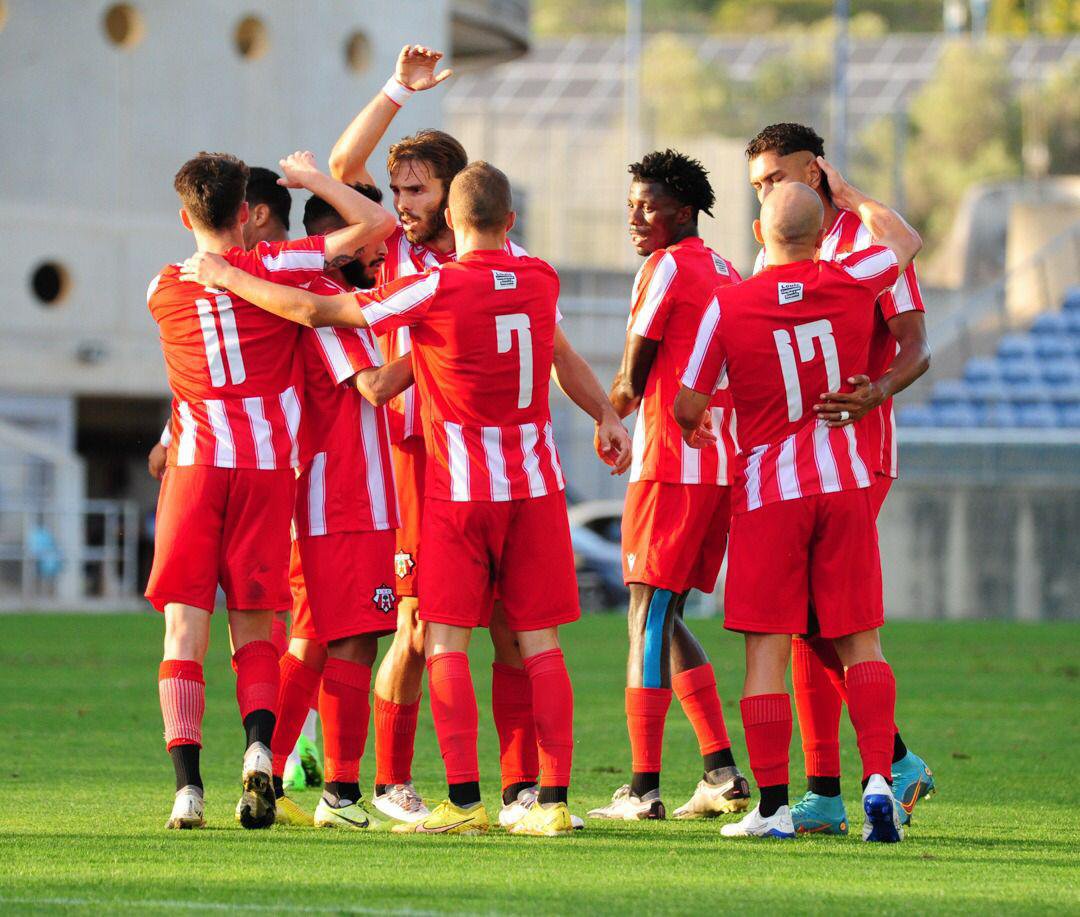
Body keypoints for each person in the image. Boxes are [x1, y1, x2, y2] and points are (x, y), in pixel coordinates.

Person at [181, 161, 629, 837]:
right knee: (538, 643)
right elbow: (556, 352)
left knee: (437, 638)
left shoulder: (433, 286)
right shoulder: (541, 278)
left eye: (418, 193)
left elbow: (319, 312)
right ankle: (549, 798)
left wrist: (230, 276)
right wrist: (608, 415)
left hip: (457, 487)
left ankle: (459, 795)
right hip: (534, 486)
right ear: (511, 221)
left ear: (450, 216)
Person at [327, 43, 629, 827]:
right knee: (420, 624)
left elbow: (560, 355)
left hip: (474, 459)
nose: (400, 203)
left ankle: (518, 783)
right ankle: (394, 778)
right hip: (415, 458)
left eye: (416, 189)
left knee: (503, 626)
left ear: (454, 194)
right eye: (393, 189)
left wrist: (601, 408)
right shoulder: (395, 246)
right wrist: (399, 88)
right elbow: (340, 160)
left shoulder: (494, 264)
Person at [147, 149, 394, 830]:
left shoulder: (161, 288)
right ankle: (260, 750)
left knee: (183, 629)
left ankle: (187, 791)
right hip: (263, 472)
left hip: (195, 470)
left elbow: (185, 373)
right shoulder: (279, 266)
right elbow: (376, 225)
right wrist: (316, 179)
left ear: (185, 215)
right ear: (245, 214)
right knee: (258, 626)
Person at [675, 181, 922, 842]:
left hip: (767, 493)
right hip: (843, 481)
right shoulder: (850, 281)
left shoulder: (728, 306)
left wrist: (697, 428)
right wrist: (852, 194)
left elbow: (687, 404)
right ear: (822, 234)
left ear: (760, 235)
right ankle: (876, 779)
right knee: (860, 638)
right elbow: (905, 240)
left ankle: (774, 806)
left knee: (766, 651)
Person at [745, 122, 935, 834]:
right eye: (758, 184)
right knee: (805, 625)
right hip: (789, 469)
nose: (766, 192)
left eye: (774, 177)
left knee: (825, 619)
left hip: (858, 457)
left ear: (815, 170)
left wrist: (877, 390)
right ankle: (838, 786)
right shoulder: (777, 248)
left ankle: (881, 766)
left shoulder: (867, 244)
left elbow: (916, 345)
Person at [589, 150, 750, 822]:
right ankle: (719, 772)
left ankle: (642, 786)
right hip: (716, 465)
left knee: (646, 615)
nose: (635, 216)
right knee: (668, 613)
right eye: (631, 202)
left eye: (647, 204)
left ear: (682, 210)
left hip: (671, 463)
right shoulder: (723, 267)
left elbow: (631, 378)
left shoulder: (666, 268)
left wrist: (602, 414)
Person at [268, 185, 417, 830]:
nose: (375, 246)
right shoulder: (328, 309)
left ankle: (266, 771)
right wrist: (448, 339)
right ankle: (342, 791)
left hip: (334, 497)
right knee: (353, 637)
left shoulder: (337, 305)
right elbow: (378, 387)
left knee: (311, 638)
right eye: (361, 235)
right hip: (347, 500)